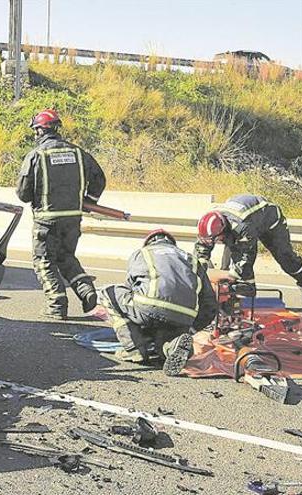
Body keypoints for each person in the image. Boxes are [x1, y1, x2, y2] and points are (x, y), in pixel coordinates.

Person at [17, 108, 107, 320]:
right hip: (73, 220)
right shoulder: (78, 153)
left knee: (44, 262)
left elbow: (22, 193)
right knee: (66, 257)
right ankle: (87, 291)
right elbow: (99, 179)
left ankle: (56, 305)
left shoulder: (35, 156)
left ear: (40, 131)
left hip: (46, 222)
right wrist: (88, 202)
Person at [99, 229, 217, 376]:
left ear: (149, 242)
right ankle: (172, 346)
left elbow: (131, 289)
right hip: (183, 317)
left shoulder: (143, 253)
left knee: (108, 293)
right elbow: (210, 303)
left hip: (150, 307)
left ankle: (134, 349)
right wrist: (191, 329)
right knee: (167, 337)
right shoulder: (190, 258)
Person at [196, 194, 302, 306]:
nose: (212, 243)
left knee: (285, 258)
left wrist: (235, 281)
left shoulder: (242, 229)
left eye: (216, 240)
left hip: (269, 221)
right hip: (244, 223)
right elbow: (200, 253)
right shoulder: (208, 226)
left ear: (223, 230)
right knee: (226, 268)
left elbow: (245, 259)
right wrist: (200, 274)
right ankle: (229, 298)